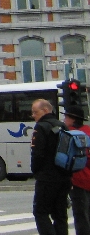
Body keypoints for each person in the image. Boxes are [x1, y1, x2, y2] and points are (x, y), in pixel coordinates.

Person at [31, 98, 73, 235]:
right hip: (64, 177)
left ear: (45, 110)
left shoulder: (41, 127)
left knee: (40, 212)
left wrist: (36, 172)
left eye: (35, 112)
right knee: (60, 214)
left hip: (47, 178)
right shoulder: (62, 126)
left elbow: (38, 154)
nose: (33, 115)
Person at [63, 105, 90, 235]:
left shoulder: (69, 134)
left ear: (73, 119)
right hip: (89, 178)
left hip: (77, 179)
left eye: (66, 117)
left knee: (80, 215)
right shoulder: (88, 131)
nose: (64, 119)